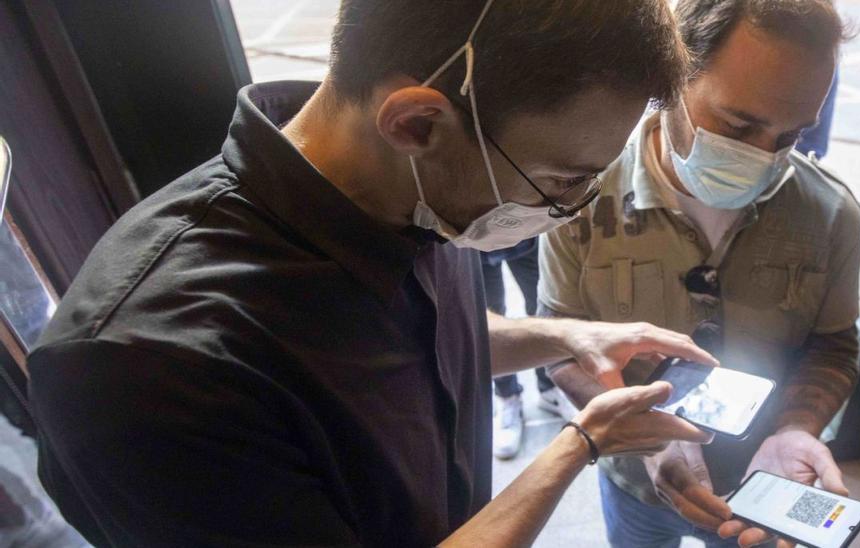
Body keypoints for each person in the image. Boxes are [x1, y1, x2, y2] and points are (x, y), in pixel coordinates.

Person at [26, 1, 718, 546]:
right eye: (559, 182)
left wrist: (568, 338)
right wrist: (580, 445)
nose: (568, 212)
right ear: (417, 123)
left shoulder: (411, 191)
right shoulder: (140, 373)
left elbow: (407, 344)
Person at [539, 1, 860, 546]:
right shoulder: (579, 197)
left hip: (762, 487)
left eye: (790, 137)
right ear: (668, 81)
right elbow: (559, 341)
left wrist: (794, 430)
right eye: (738, 125)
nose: (763, 156)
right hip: (635, 485)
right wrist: (649, 441)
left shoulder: (830, 216)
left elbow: (833, 345)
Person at [482, 238, 577, 460]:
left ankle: (549, 387)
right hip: (472, 238)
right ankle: (507, 396)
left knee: (543, 307)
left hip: (525, 229)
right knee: (487, 317)